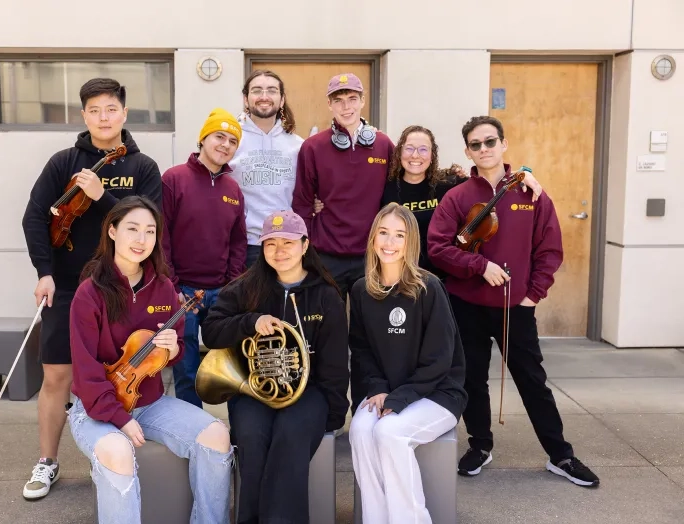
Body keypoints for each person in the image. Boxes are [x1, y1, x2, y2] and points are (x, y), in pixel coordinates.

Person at [427, 115, 599, 487]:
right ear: (467, 151)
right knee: (472, 379)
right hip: (466, 304)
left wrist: (533, 294)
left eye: (490, 142)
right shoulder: (458, 196)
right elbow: (437, 247)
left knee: (532, 380)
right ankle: (480, 445)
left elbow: (549, 248)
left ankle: (560, 455)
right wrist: (478, 265)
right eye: (476, 144)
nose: (484, 149)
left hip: (514, 307)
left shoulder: (530, 192)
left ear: (503, 144)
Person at [20, 77, 163, 500]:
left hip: (122, 289)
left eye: (111, 109)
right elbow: (35, 219)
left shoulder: (143, 168)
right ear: (85, 116)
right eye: (95, 110)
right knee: (57, 376)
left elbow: (149, 221)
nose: (104, 117)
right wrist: (43, 270)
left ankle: (119, 454)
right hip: (66, 286)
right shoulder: (64, 162)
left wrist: (102, 197)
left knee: (124, 371)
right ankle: (48, 461)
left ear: (124, 113)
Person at [66, 195, 233, 523]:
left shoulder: (164, 288)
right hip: (96, 408)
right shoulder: (90, 292)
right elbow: (85, 372)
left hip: (151, 403)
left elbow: (173, 355)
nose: (141, 239)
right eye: (132, 229)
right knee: (118, 451)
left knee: (217, 435)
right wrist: (120, 418)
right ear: (112, 232)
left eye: (150, 231)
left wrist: (173, 349)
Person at [200, 210, 350, 524]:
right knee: (252, 435)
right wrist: (250, 322)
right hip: (255, 389)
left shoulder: (325, 296)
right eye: (270, 244)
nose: (279, 251)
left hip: (310, 391)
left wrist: (333, 414)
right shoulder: (246, 287)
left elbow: (335, 364)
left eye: (288, 242)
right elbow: (212, 331)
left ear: (305, 245)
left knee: (291, 433)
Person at [348, 202, 467, 524]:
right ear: (373, 238)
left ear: (410, 242)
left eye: (399, 235)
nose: (390, 242)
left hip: (437, 394)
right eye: (383, 233)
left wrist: (399, 398)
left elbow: (440, 360)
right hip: (384, 391)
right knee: (360, 430)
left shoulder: (429, 288)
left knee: (389, 433)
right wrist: (376, 389)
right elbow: (360, 351)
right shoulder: (361, 290)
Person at [292, 72, 395, 414]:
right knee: (328, 338)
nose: (346, 106)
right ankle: (332, 413)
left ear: (363, 101)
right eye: (339, 99)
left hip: (371, 260)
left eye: (352, 98)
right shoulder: (313, 147)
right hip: (328, 258)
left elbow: (393, 200)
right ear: (329, 104)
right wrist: (308, 252)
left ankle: (368, 411)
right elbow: (303, 203)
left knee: (371, 338)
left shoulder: (383, 145)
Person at [161, 108, 247, 407]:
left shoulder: (233, 189)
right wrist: (172, 287)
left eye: (232, 141)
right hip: (183, 292)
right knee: (186, 371)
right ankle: (192, 432)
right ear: (203, 139)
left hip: (221, 293)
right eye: (219, 137)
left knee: (235, 366)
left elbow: (238, 241)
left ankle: (240, 432)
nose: (225, 145)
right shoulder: (174, 179)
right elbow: (162, 238)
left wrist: (232, 285)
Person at [380, 125, 543, 278]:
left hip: (441, 280)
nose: (415, 155)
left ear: (432, 154)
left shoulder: (449, 184)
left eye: (423, 149)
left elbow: (489, 182)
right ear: (399, 152)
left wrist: (521, 175)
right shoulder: (385, 189)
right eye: (409, 148)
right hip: (398, 277)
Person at [230, 70, 304, 268]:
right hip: (244, 246)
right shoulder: (231, 141)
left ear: (281, 100)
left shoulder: (298, 146)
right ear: (246, 99)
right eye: (257, 91)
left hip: (287, 243)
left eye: (271, 91)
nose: (264, 97)